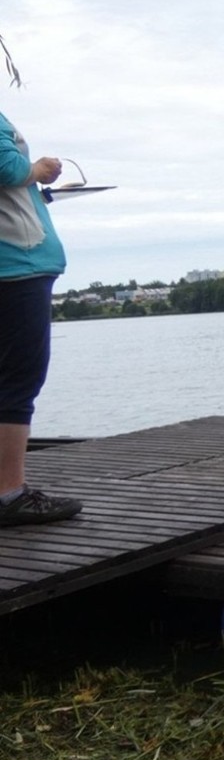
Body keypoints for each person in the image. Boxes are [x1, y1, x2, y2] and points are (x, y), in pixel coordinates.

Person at [0, 109, 83, 526]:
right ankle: (9, 494)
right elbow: (6, 168)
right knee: (18, 379)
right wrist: (39, 169)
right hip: (17, 265)